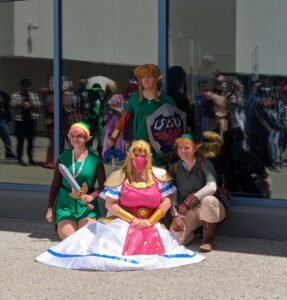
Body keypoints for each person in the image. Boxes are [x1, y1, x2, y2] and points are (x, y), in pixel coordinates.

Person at [36, 140, 205, 271]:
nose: (139, 157)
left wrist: (150, 221)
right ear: (130, 155)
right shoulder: (120, 176)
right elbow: (111, 204)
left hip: (151, 222)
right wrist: (133, 220)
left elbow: (167, 201)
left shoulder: (158, 175)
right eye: (136, 153)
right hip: (123, 222)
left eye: (143, 153)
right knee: (106, 249)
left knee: (159, 250)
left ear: (148, 156)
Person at [44, 121, 106, 240]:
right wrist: (49, 209)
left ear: (87, 138)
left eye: (79, 136)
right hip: (65, 203)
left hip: (86, 205)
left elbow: (103, 185)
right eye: (72, 135)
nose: (75, 139)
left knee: (85, 238)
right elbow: (55, 185)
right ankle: (61, 224)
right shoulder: (63, 158)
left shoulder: (95, 160)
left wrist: (91, 197)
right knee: (70, 239)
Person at [108, 64, 176, 166]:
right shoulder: (135, 99)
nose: (146, 80)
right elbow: (123, 121)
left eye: (149, 77)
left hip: (158, 150)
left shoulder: (166, 101)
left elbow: (175, 127)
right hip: (139, 149)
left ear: (157, 78)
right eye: (142, 77)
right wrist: (113, 138)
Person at [169, 133, 225, 252]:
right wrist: (176, 216)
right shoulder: (175, 168)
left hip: (207, 207)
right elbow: (171, 193)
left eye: (187, 148)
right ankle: (195, 230)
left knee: (208, 200)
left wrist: (191, 200)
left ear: (194, 148)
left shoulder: (204, 163)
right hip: (188, 211)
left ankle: (207, 240)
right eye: (180, 148)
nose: (183, 151)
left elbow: (212, 186)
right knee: (175, 239)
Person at [11, 79, 42, 165]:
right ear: (21, 86)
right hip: (20, 121)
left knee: (31, 141)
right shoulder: (15, 95)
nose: (26, 88)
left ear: (30, 86)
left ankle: (30, 158)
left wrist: (31, 104)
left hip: (31, 121)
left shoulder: (34, 96)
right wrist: (22, 103)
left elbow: (40, 106)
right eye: (24, 86)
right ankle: (19, 158)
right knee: (20, 141)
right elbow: (12, 105)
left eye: (27, 86)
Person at [102, 81, 126, 163]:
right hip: (108, 121)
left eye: (110, 88)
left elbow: (122, 110)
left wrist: (112, 108)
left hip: (117, 121)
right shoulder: (105, 98)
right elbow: (104, 111)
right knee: (108, 137)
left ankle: (119, 156)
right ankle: (107, 156)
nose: (109, 89)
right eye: (108, 88)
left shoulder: (119, 97)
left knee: (117, 137)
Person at [0, 89, 16, 159]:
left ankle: (9, 153)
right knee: (6, 136)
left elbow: (10, 102)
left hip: (2, 118)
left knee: (6, 136)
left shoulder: (2, 94)